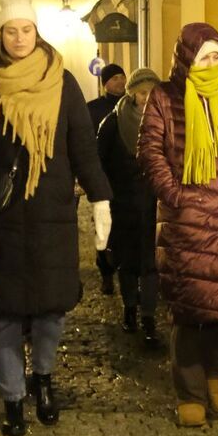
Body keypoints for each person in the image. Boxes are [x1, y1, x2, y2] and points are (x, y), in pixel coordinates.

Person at [0, 0, 112, 434]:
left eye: (26, 30)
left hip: (50, 216)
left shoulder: (61, 82)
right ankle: (11, 397)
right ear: (0, 33)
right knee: (3, 315)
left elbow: (82, 146)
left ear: (36, 32)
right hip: (0, 219)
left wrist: (100, 197)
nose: (19, 38)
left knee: (49, 313)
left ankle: (42, 379)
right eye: (11, 30)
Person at [137, 23, 218, 426]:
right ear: (187, 56)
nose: (211, 63)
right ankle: (190, 391)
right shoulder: (164, 96)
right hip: (187, 220)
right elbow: (150, 150)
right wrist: (175, 195)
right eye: (204, 55)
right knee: (190, 310)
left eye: (216, 57)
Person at [96, 68, 162, 345]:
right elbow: (100, 162)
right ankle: (129, 309)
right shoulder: (112, 123)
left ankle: (148, 315)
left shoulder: (163, 122)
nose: (146, 99)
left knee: (151, 263)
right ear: (132, 92)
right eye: (142, 92)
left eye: (151, 93)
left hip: (154, 203)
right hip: (122, 203)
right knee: (126, 262)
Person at [88, 62, 127, 294]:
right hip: (103, 176)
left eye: (122, 77)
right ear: (105, 84)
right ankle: (106, 272)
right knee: (103, 226)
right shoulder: (94, 109)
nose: (120, 82)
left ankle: (124, 267)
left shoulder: (131, 106)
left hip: (125, 177)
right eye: (115, 78)